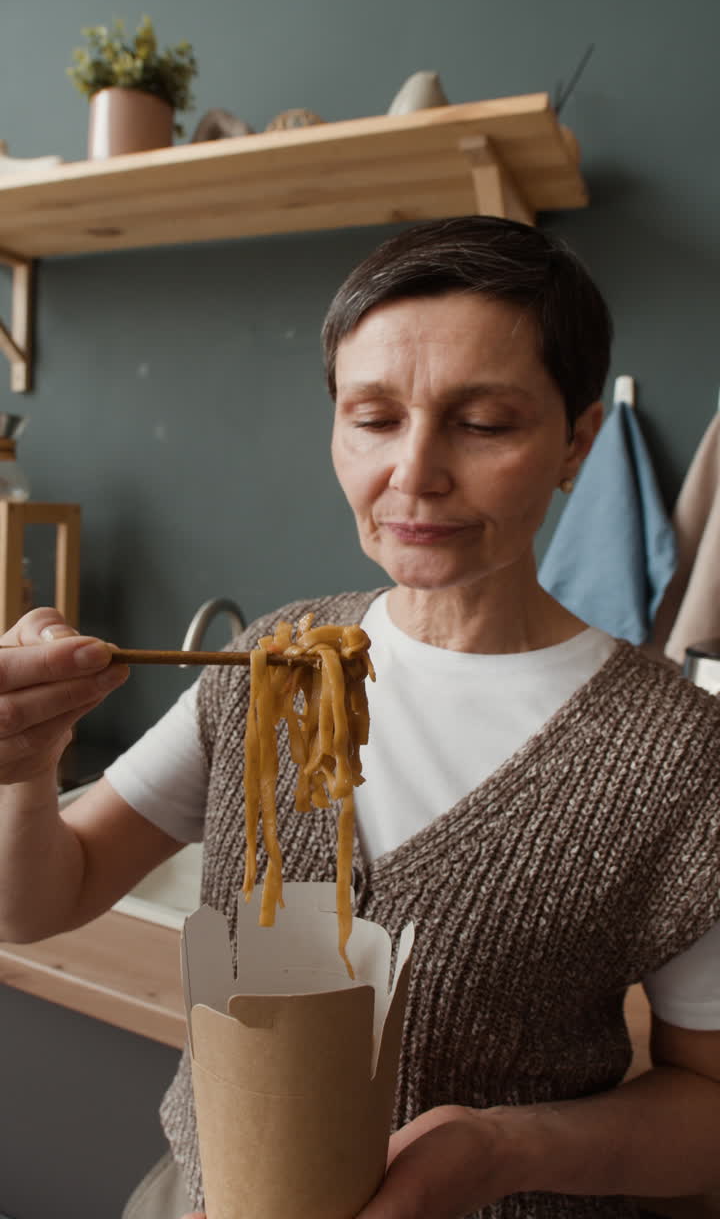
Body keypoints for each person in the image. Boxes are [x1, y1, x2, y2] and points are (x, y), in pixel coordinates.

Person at [1, 217, 719, 1219]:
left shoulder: (680, 758)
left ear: (577, 443)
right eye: (374, 417)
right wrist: (23, 767)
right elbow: (37, 900)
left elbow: (710, 1107)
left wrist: (500, 1148)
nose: (414, 472)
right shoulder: (274, 664)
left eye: (484, 422)